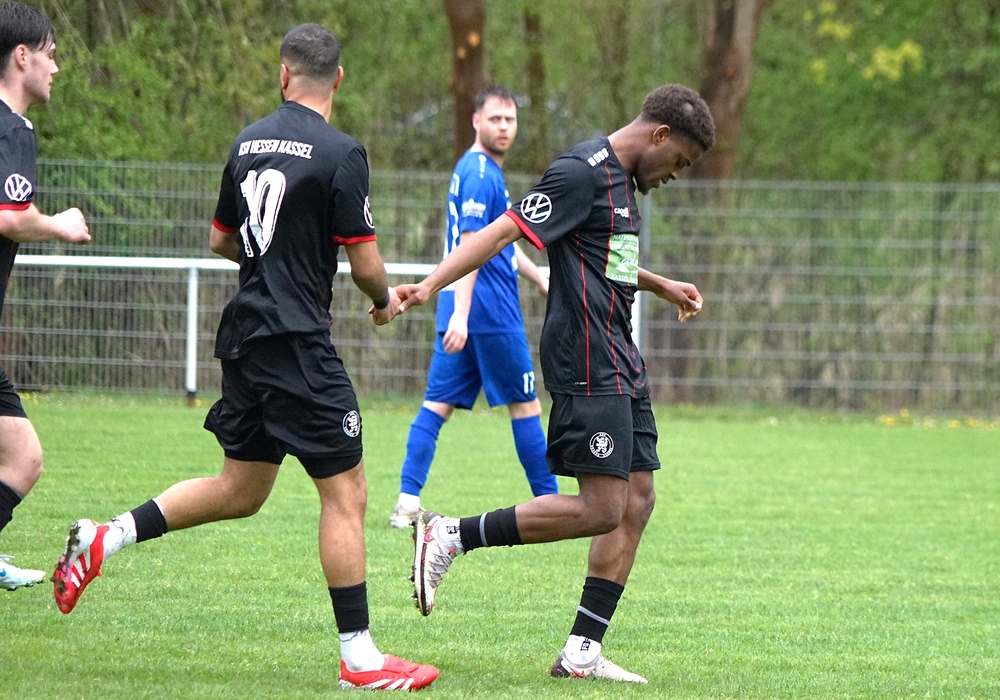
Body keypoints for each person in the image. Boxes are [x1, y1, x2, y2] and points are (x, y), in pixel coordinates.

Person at [51, 24, 437, 691]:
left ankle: (105, 538)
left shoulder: (248, 141)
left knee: (241, 489)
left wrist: (275, 257)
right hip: (297, 340)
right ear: (338, 79)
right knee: (347, 492)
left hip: (246, 332)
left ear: (284, 75)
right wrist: (383, 302)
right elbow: (367, 265)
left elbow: (221, 240)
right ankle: (360, 659)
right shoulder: (343, 152)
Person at [397, 84, 715, 683]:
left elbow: (608, 258)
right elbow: (500, 233)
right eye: (679, 161)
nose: (676, 174)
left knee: (638, 499)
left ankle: (582, 653)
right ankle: (449, 535)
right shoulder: (580, 172)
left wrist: (660, 285)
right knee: (602, 509)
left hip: (620, 354)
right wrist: (430, 286)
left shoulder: (624, 184)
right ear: (659, 135)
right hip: (587, 358)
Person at [389, 84, 556, 529]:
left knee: (436, 405)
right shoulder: (483, 173)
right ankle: (553, 503)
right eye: (495, 119)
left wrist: (537, 276)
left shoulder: (472, 167)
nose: (504, 127)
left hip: (459, 308)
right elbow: (470, 246)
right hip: (489, 312)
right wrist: (463, 315)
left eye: (510, 119)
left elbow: (498, 241)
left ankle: (406, 502)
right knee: (526, 405)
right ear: (476, 120)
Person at [0, 2, 90, 591]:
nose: (55, 67)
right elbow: (10, 216)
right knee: (24, 458)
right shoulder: (13, 129)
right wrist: (60, 224)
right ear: (21, 56)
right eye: (50, 55)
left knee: (21, 455)